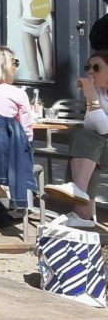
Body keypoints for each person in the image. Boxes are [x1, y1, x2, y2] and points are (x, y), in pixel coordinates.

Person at [68, 50, 108, 221]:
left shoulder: (93, 93)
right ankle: (81, 199)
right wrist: (92, 97)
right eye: (88, 67)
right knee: (88, 147)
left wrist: (91, 97)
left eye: (96, 68)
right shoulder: (97, 91)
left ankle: (81, 209)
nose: (91, 72)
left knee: (86, 146)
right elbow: (90, 125)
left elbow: (105, 129)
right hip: (102, 147)